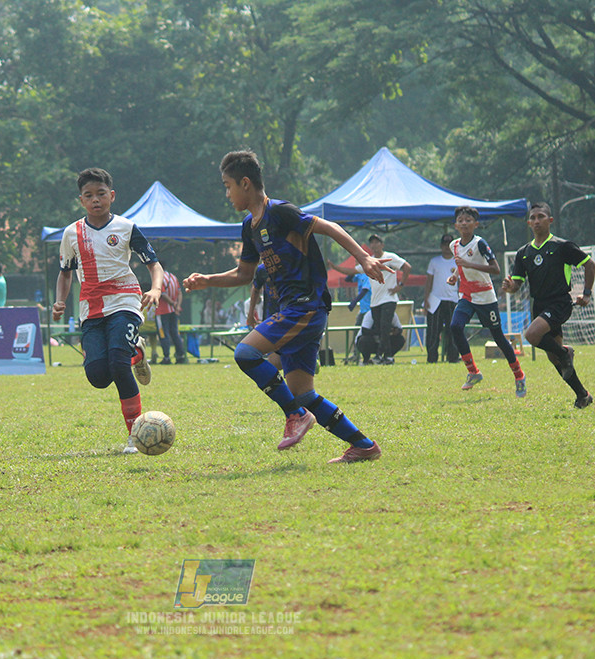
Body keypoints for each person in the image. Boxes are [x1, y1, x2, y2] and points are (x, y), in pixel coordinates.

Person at [183, 149, 391, 463]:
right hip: (299, 311)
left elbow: (328, 227)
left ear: (246, 183)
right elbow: (244, 273)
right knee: (304, 393)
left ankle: (295, 415)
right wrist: (208, 279)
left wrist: (363, 257)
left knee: (245, 353)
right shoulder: (249, 227)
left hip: (305, 307)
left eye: (228, 186)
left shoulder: (280, 212)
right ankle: (363, 445)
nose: (227, 194)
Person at [51, 167, 164, 454]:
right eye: (89, 195)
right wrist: (60, 301)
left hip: (125, 301)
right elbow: (65, 272)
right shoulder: (71, 233)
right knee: (98, 376)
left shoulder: (126, 228)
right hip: (91, 308)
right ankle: (135, 352)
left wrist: (156, 289)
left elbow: (153, 263)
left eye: (101, 194)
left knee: (116, 361)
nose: (96, 200)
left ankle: (134, 437)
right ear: (81, 201)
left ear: (111, 196)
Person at [502, 202, 595, 408]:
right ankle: (582, 395)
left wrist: (586, 294)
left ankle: (565, 352)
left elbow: (590, 264)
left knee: (532, 335)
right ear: (528, 223)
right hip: (540, 305)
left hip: (559, 302)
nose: (536, 221)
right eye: (533, 218)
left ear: (550, 220)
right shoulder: (523, 253)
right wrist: (510, 286)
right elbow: (517, 283)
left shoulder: (562, 246)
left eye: (541, 217)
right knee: (554, 359)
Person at [446, 207, 526, 397]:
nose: (464, 223)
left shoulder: (480, 243)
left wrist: (468, 265)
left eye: (468, 220)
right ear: (456, 225)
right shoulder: (454, 245)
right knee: (455, 327)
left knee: (498, 338)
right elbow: (460, 264)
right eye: (461, 220)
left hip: (485, 297)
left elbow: (495, 269)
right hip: (466, 296)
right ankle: (473, 371)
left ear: (476, 224)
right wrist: (456, 276)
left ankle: (519, 375)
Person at [330, 234, 411, 365]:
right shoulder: (369, 260)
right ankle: (387, 357)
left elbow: (407, 267)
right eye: (372, 243)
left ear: (382, 244)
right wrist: (334, 267)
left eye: (377, 242)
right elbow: (351, 271)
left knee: (385, 327)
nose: (374, 245)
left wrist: (400, 285)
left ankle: (381, 355)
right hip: (375, 301)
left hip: (389, 298)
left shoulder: (389, 257)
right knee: (381, 329)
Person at [423, 233, 460, 364]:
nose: (446, 247)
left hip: (452, 300)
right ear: (441, 246)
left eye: (449, 245)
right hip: (436, 300)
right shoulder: (434, 261)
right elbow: (429, 281)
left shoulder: (458, 261)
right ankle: (432, 358)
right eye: (444, 244)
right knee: (433, 331)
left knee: (453, 330)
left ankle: (453, 357)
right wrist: (426, 299)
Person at [155, 270, 187, 364]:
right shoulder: (173, 277)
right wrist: (177, 306)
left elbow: (163, 294)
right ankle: (180, 356)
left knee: (163, 334)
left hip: (162, 310)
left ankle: (166, 357)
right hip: (174, 311)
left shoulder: (159, 277)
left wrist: (172, 304)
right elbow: (180, 293)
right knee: (175, 333)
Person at [247, 262, 280, 328]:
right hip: (270, 316)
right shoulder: (263, 269)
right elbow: (255, 290)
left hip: (289, 313)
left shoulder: (290, 265)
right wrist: (250, 315)